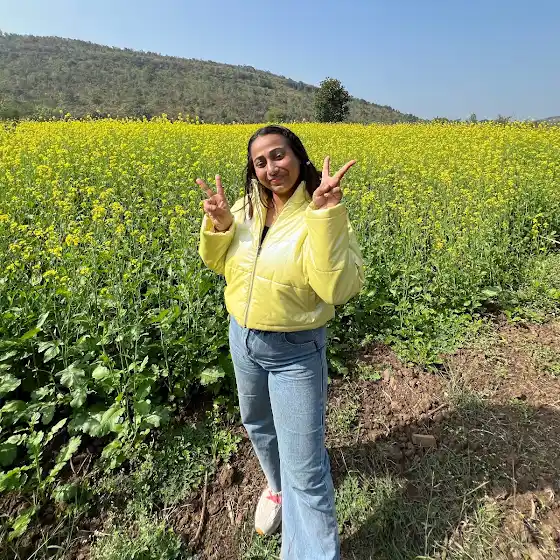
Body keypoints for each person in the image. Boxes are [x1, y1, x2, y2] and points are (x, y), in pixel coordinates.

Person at [197, 125, 364, 560]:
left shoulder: (321, 211)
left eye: (278, 155)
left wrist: (326, 216)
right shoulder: (245, 207)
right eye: (260, 162)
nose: (271, 168)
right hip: (243, 338)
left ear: (298, 156)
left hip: (295, 350)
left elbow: (336, 289)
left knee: (305, 468)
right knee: (257, 423)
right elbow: (218, 264)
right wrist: (221, 225)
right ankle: (276, 489)